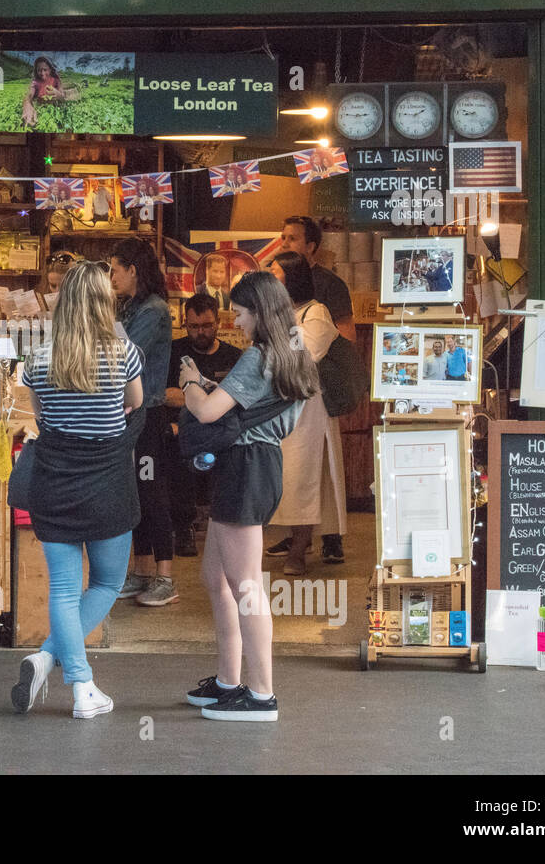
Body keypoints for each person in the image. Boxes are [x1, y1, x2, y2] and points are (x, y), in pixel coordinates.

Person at [178, 271, 315, 721]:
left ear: (258, 311)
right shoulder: (293, 351)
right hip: (259, 463)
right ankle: (228, 682)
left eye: (238, 313)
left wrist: (190, 380)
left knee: (247, 587)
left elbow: (204, 410)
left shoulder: (258, 357)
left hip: (246, 467)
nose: (234, 322)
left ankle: (261, 695)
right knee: (216, 578)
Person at [11, 261, 144, 718]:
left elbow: (41, 417)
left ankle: (75, 680)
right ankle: (59, 664)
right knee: (108, 581)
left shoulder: (39, 360)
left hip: (55, 480)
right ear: (105, 303)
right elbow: (136, 402)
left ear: (64, 303)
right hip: (107, 481)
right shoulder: (122, 354)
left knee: (64, 590)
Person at [275, 214, 353, 563]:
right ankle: (294, 538)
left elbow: (306, 354)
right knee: (286, 476)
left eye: (275, 278)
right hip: (281, 408)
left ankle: (303, 546)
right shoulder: (279, 314)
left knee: (307, 476)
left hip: (309, 410)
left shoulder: (317, 311)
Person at [109, 238, 177, 607]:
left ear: (132, 269)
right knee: (133, 492)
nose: (111, 277)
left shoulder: (153, 310)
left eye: (114, 269)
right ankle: (141, 570)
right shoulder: (131, 306)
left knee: (152, 492)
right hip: (128, 413)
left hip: (147, 415)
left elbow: (126, 355)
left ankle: (165, 577)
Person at [164, 293, 243, 557]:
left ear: (218, 322)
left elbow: (239, 399)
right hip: (183, 429)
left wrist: (189, 396)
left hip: (223, 430)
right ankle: (184, 526)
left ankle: (227, 524)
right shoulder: (174, 352)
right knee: (177, 447)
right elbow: (165, 394)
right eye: (194, 326)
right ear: (185, 324)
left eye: (207, 325)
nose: (200, 332)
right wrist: (205, 401)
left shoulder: (234, 356)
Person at [20, 55, 81, 127]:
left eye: (45, 70)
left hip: (59, 96)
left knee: (71, 94)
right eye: (39, 70)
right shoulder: (35, 83)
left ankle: (76, 85)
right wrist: (27, 105)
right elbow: (29, 95)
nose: (42, 74)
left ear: (50, 70)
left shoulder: (55, 80)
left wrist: (59, 95)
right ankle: (73, 85)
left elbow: (63, 97)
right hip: (45, 102)